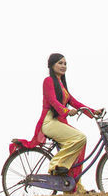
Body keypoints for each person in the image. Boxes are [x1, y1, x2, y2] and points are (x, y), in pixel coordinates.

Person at [30, 53, 101, 183]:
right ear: (52, 65)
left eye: (65, 63)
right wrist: (66, 111)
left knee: (79, 148)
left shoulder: (61, 85)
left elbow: (74, 102)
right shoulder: (48, 81)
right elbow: (52, 101)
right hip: (49, 122)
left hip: (57, 122)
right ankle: (55, 165)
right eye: (60, 63)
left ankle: (74, 186)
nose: (63, 66)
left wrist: (93, 112)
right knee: (80, 137)